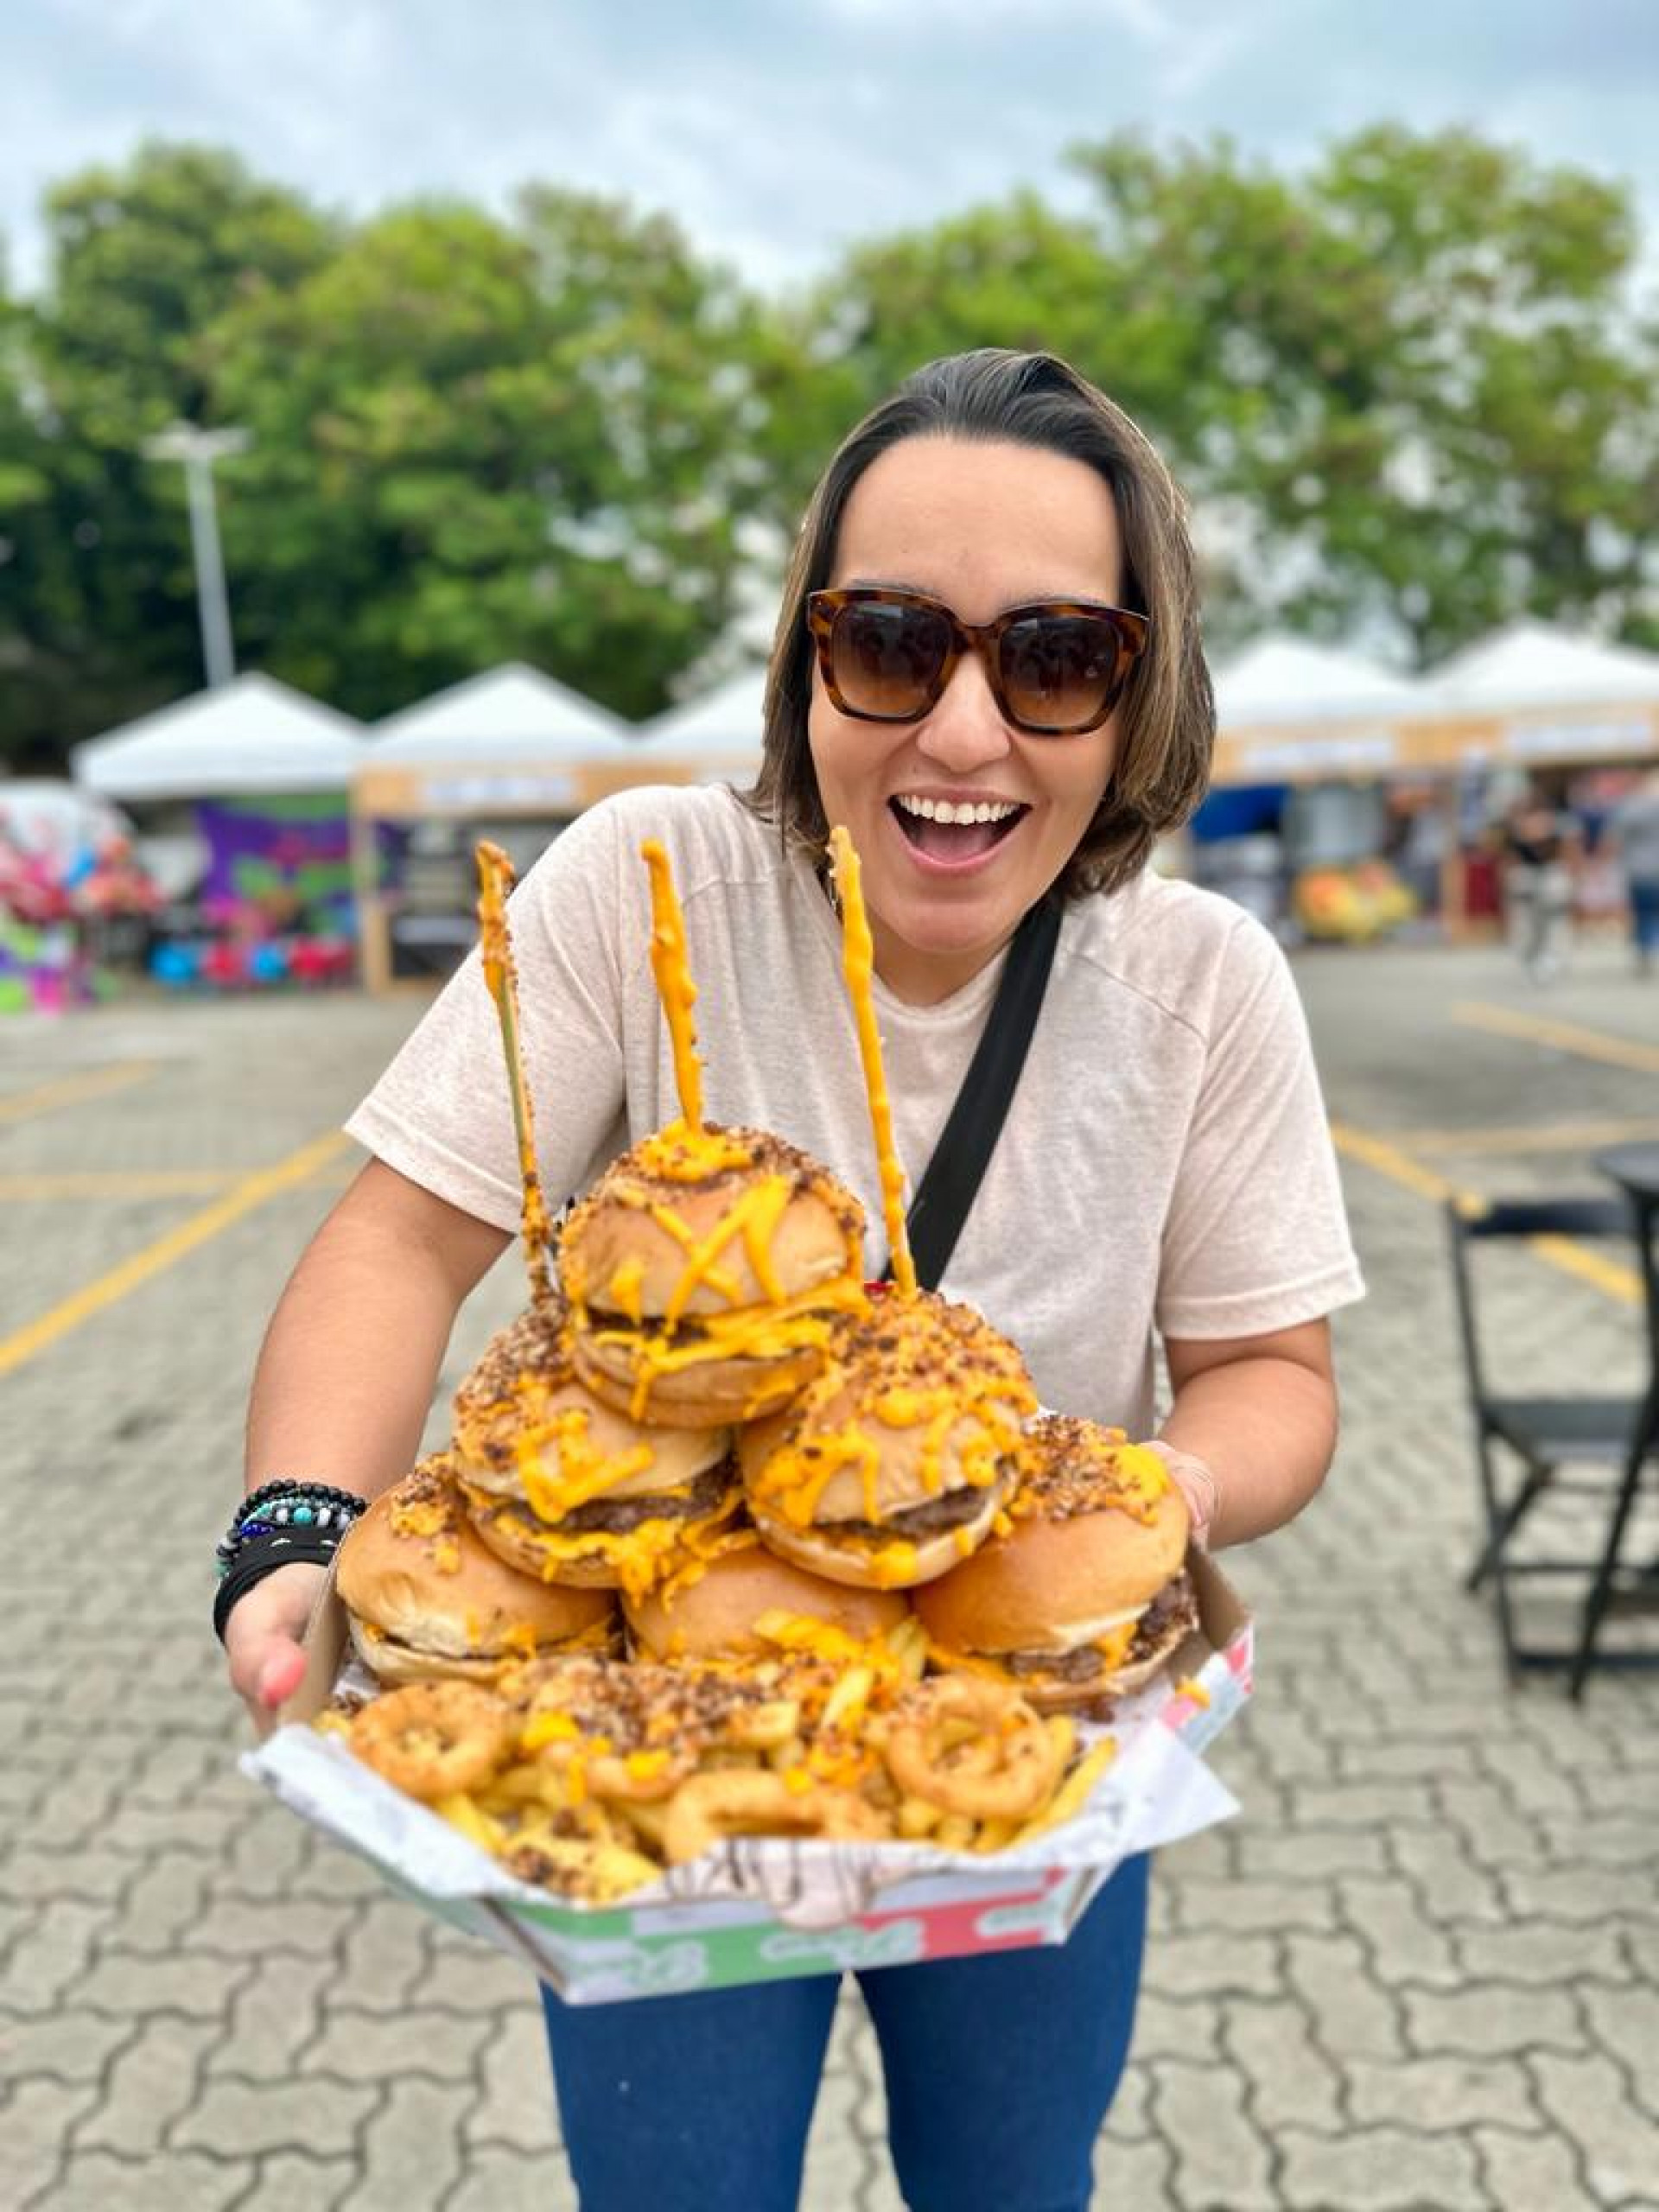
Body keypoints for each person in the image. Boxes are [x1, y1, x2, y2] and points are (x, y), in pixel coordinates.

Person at [219, 348, 1364, 2212]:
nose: (966, 734)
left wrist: (1159, 1491)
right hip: (654, 1742)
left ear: (1141, 689)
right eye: (896, 643)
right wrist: (287, 1538)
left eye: (1057, 655)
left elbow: (1269, 1374)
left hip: (1025, 1729)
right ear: (808, 659)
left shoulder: (1206, 983)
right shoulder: (637, 888)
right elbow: (400, 1238)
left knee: (1012, 2183)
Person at [1497, 783, 1580, 981]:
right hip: (1527, 876)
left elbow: (1569, 853)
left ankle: (1553, 958)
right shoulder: (1515, 829)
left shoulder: (1559, 826)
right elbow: (1510, 859)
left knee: (1554, 922)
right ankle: (1532, 958)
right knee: (1527, 923)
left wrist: (1573, 878)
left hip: (1551, 875)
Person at [1610, 768, 1659, 976]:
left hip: (1638, 870)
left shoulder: (1631, 806)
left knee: (1643, 913)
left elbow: (1615, 837)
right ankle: (1650, 946)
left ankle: (1645, 948)